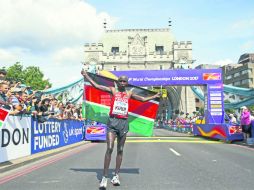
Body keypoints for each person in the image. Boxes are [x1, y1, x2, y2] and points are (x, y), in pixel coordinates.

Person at [81, 70, 161, 189]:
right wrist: (86, 76)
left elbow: (143, 99)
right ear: (117, 82)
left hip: (123, 123)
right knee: (109, 148)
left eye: (125, 81)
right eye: (121, 81)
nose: (122, 83)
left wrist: (155, 96)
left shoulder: (129, 94)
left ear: (127, 83)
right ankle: (104, 177)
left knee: (120, 150)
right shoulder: (113, 90)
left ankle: (116, 175)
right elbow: (97, 86)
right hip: (112, 122)